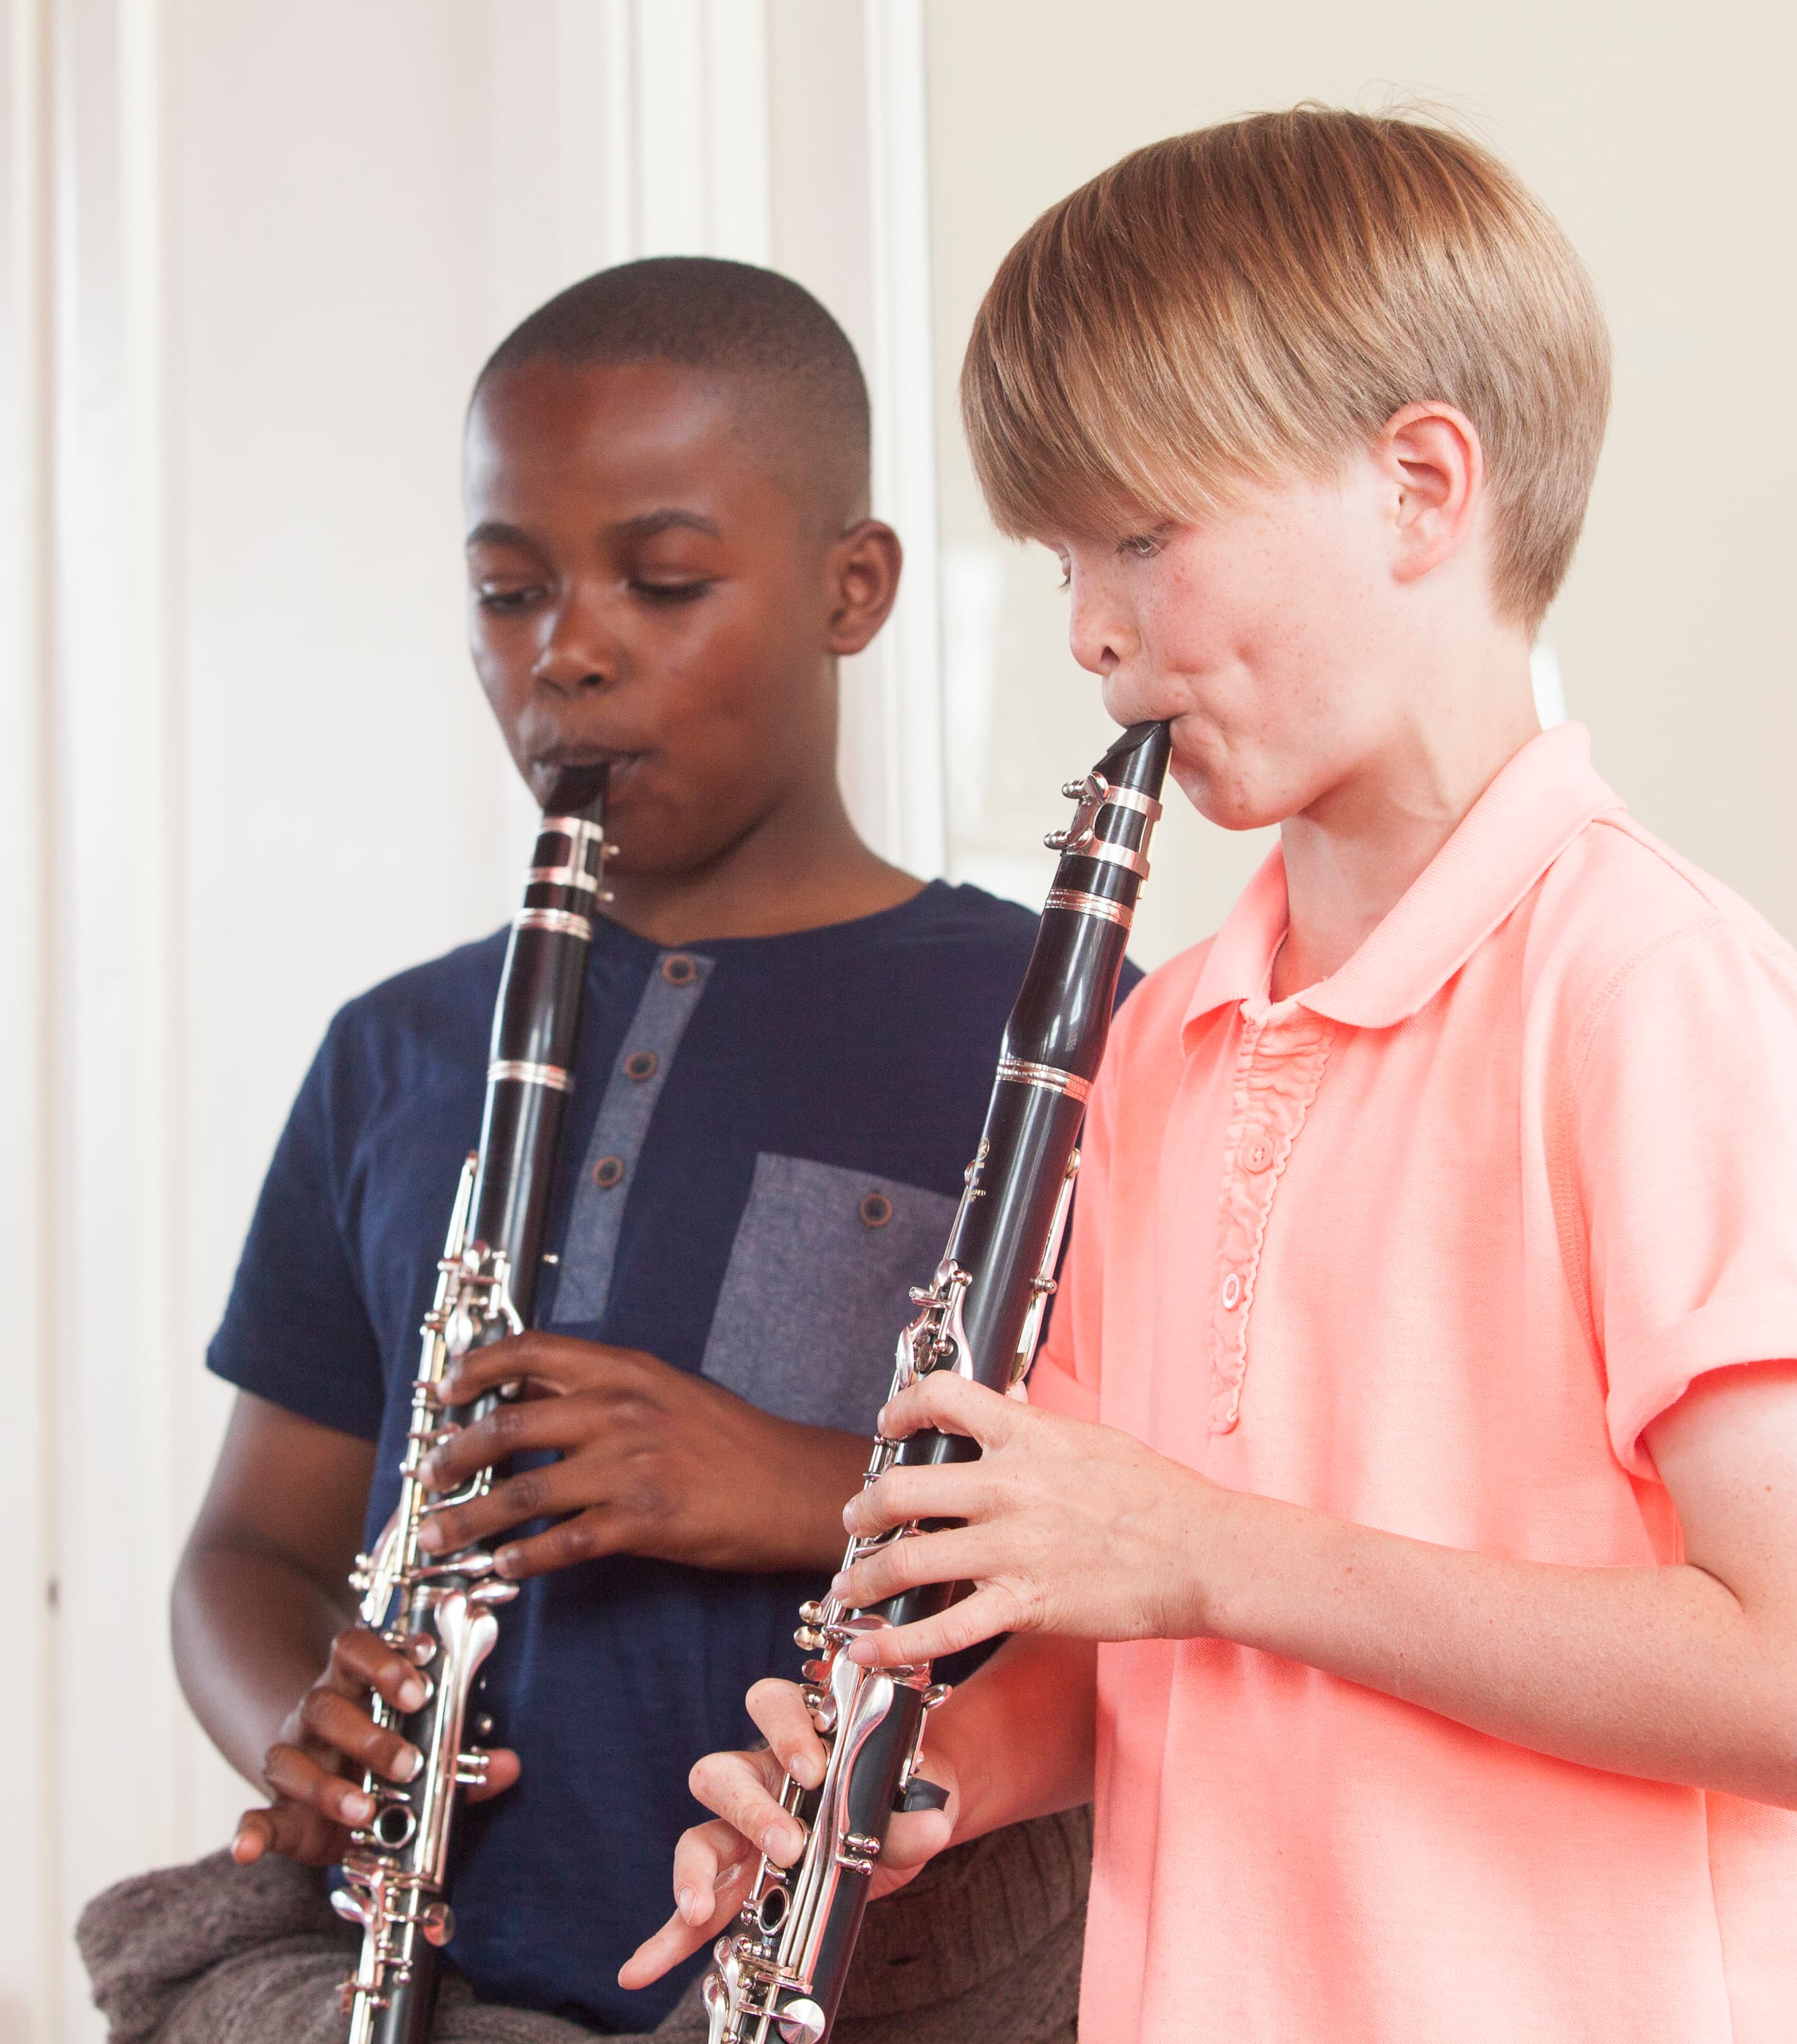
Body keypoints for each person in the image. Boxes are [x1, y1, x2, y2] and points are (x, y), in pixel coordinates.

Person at [628, 110, 1797, 2043]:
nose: (1091, 631)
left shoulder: (1650, 988)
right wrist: (909, 1787)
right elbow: (1104, 1641)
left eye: (1143, 539)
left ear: (1418, 488)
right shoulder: (1162, 1040)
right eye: (1069, 559)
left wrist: (1219, 1556)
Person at [112, 258, 1090, 2043]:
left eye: (662, 580)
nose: (566, 647)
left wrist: (781, 1482)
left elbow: (1157, 1555)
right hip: (435, 1983)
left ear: (850, 588)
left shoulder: (1052, 1033)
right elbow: (246, 1548)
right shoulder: (396, 1050)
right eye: (508, 587)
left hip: (875, 1984)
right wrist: (296, 1714)